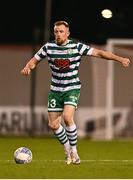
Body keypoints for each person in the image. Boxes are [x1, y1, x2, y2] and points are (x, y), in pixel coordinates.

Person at [21, 20, 130, 165]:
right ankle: (67, 150)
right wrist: (28, 67)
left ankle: (74, 151)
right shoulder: (48, 47)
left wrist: (120, 58)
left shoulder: (77, 46)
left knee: (67, 117)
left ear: (68, 33)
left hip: (72, 87)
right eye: (56, 31)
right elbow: (34, 60)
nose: (58, 34)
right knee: (53, 125)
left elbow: (100, 53)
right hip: (55, 89)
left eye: (61, 31)